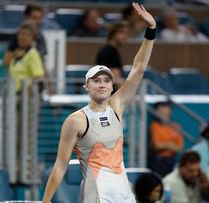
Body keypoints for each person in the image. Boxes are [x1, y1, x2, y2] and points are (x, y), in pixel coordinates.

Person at [42, 3, 157, 203]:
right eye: (96, 80)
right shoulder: (76, 120)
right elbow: (61, 166)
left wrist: (151, 31)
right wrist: (45, 201)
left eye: (106, 80)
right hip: (96, 197)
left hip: (124, 196)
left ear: (112, 86)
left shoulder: (117, 106)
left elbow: (138, 68)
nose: (102, 84)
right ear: (87, 86)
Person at [148, 101, 183, 177]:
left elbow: (179, 148)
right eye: (160, 110)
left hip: (172, 161)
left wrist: (164, 145)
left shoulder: (176, 126)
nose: (163, 112)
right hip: (159, 161)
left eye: (165, 109)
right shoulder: (154, 126)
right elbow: (157, 146)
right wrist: (170, 144)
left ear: (170, 111)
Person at [8, 22, 45, 92]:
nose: (23, 37)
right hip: (14, 95)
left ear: (33, 38)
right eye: (21, 34)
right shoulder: (16, 54)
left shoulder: (33, 54)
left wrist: (28, 94)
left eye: (27, 35)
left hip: (26, 98)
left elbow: (39, 79)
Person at [95, 21, 129, 92]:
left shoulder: (107, 50)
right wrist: (126, 94)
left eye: (126, 33)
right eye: (121, 32)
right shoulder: (111, 51)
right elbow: (117, 79)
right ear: (113, 33)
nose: (125, 36)